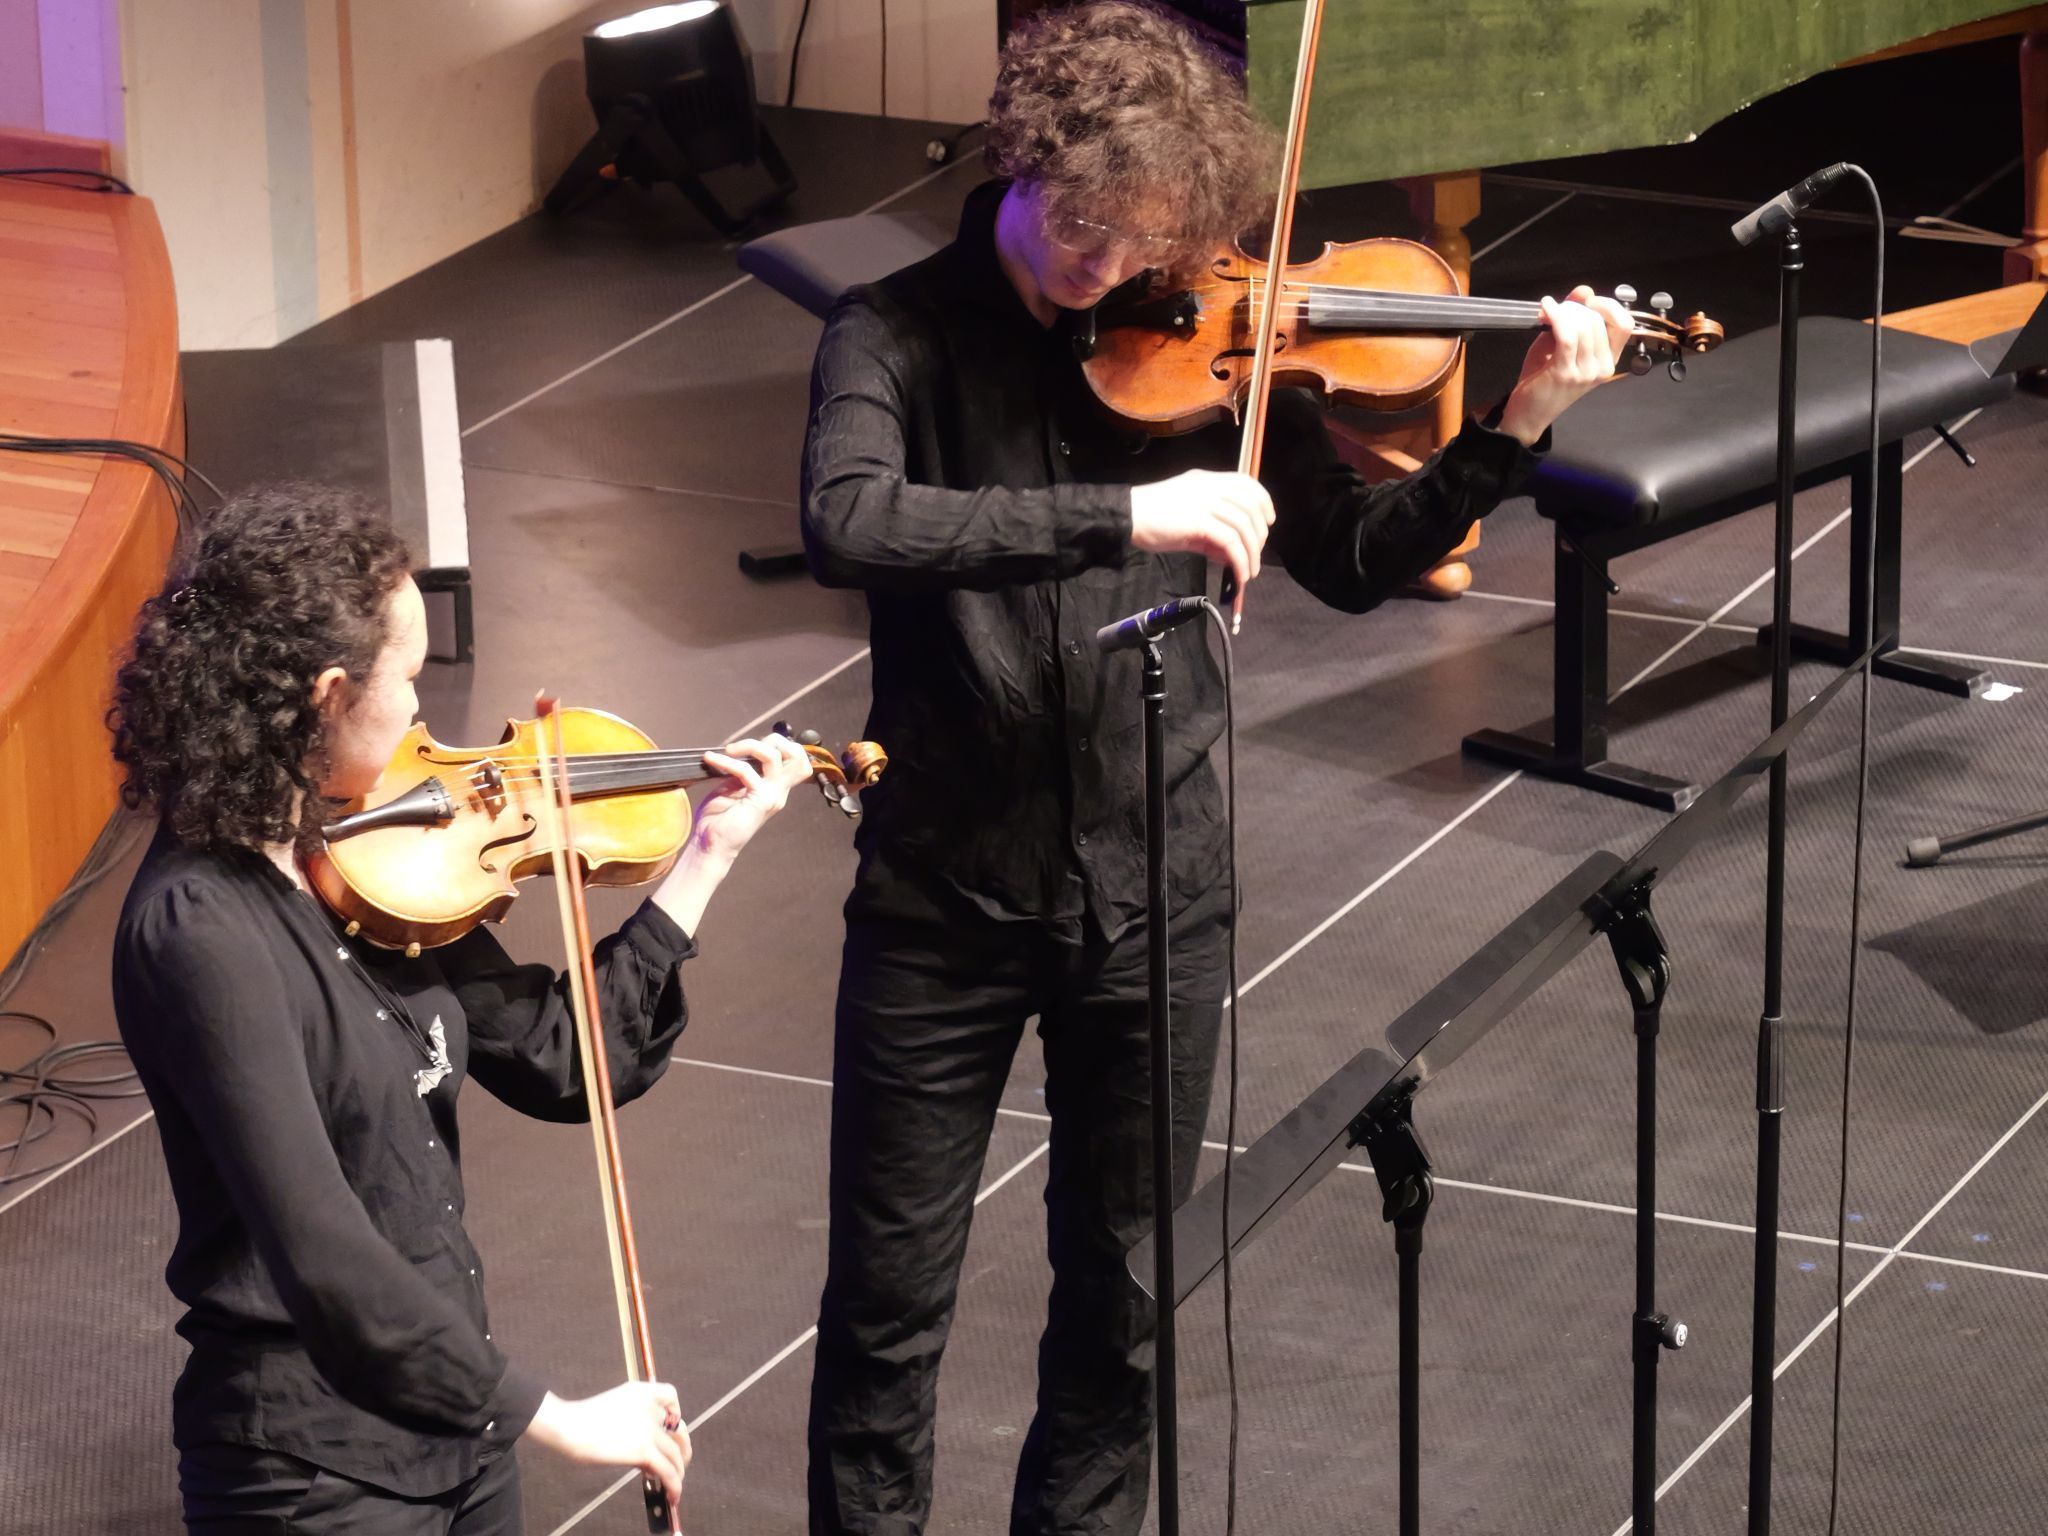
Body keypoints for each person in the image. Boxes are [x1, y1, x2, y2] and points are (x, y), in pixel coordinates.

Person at [796, 4, 1631, 1533]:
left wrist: (1519, 422)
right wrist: (1128, 517)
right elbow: (852, 522)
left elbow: (1365, 561)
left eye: (1145, 238)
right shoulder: (893, 334)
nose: (1109, 268)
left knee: (1122, 1308)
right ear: (1022, 162)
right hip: (941, 905)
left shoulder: (1222, 344)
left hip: (1156, 906)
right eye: (1083, 228)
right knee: (884, 1318)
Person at [108, 484, 813, 1534]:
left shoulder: (371, 854)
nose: (425, 713)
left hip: (454, 1425)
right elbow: (322, 1252)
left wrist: (704, 856)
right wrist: (554, 1416)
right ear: (327, 694)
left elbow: (564, 1060)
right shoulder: (199, 933)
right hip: (311, 1471)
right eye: (410, 677)